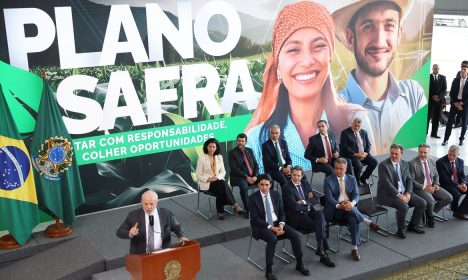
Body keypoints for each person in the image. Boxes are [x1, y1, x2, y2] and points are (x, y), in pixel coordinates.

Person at [246, 0, 373, 172]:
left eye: (319, 46)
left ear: (330, 57)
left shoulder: (355, 119)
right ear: (278, 65)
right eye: (293, 50)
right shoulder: (255, 140)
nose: (307, 61)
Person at [333, 0, 426, 154]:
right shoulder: (335, 109)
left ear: (398, 35)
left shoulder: (414, 94)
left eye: (389, 26)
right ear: (351, 38)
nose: (379, 41)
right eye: (368, 26)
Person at [249, 174, 310, 280]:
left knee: (295, 234)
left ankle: (299, 263)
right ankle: (269, 270)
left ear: (270, 185)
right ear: (258, 185)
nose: (264, 187)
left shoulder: (276, 194)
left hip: (277, 223)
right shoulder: (252, 198)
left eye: (267, 185)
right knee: (272, 239)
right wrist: (271, 228)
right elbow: (255, 219)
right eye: (262, 185)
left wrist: (281, 224)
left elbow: (282, 212)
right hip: (261, 226)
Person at [323, 158, 380, 261]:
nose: (338, 171)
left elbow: (356, 194)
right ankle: (367, 221)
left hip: (349, 207)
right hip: (335, 210)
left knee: (353, 220)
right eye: (336, 168)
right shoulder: (328, 180)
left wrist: (352, 203)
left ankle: (354, 248)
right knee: (353, 212)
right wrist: (340, 205)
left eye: (341, 169)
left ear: (346, 169)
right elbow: (329, 198)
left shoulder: (351, 179)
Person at [282, 166, 335, 267]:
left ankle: (321, 249)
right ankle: (323, 253)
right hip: (296, 217)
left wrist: (303, 202)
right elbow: (294, 207)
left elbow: (315, 199)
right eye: (294, 175)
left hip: (308, 212)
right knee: (320, 225)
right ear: (291, 175)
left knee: (319, 214)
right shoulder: (287, 188)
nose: (296, 178)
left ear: (302, 176)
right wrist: (308, 204)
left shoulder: (305, 183)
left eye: (298, 175)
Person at [377, 144, 426, 239]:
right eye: (392, 153)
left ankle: (413, 225)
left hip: (404, 193)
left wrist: (408, 193)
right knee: (404, 206)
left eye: (396, 154)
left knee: (422, 203)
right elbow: (387, 184)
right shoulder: (383, 165)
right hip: (388, 195)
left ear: (402, 153)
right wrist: (399, 195)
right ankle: (400, 230)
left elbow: (409, 180)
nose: (394, 156)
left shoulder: (405, 164)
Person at [116, 190, 189, 254]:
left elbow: (177, 226)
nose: (148, 207)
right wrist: (130, 233)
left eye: (151, 204)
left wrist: (181, 236)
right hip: (141, 256)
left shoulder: (166, 214)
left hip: (163, 253)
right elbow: (119, 232)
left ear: (157, 202)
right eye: (146, 204)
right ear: (141, 202)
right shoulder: (133, 215)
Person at [196, 138, 245, 220]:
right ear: (206, 147)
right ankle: (234, 205)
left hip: (218, 181)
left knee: (221, 186)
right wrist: (208, 179)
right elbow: (198, 175)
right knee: (223, 184)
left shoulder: (219, 157)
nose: (211, 149)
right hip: (207, 183)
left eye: (213, 147)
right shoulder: (202, 158)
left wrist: (217, 177)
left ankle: (220, 211)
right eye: (210, 146)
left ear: (216, 148)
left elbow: (223, 172)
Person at [409, 144, 453, 228]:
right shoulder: (411, 163)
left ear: (429, 153)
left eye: (425, 152)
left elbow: (436, 174)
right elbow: (411, 180)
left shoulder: (432, 160)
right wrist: (425, 188)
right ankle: (431, 217)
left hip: (432, 185)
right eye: (420, 152)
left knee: (449, 198)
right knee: (431, 201)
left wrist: (436, 184)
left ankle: (430, 212)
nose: (422, 154)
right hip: (419, 188)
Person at [340, 117, 378, 185]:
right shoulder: (345, 133)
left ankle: (363, 178)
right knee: (358, 166)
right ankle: (356, 181)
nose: (357, 127)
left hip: (364, 154)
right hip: (352, 155)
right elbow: (344, 147)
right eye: (355, 125)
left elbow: (368, 144)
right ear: (352, 124)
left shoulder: (364, 132)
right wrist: (356, 154)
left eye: (358, 126)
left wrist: (366, 153)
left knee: (374, 162)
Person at [228, 133, 259, 217]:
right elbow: (234, 169)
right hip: (239, 177)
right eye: (239, 141)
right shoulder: (232, 153)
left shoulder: (249, 150)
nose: (240, 143)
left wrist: (255, 175)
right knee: (243, 185)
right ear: (236, 141)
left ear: (246, 142)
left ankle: (265, 205)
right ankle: (248, 210)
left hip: (252, 176)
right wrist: (246, 177)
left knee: (268, 179)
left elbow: (256, 165)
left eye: (242, 141)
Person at [436, 145, 468, 220]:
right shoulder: (440, 162)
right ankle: (456, 210)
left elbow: (462, 175)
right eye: (450, 154)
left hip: (457, 182)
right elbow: (444, 179)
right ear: (448, 152)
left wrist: (463, 183)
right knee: (456, 194)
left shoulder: (460, 161)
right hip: (446, 184)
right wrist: (457, 186)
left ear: (458, 155)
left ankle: (460, 212)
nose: (451, 157)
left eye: (454, 155)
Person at [442, 61, 468, 146]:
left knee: (464, 123)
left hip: (465, 105)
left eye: (464, 69)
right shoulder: (455, 80)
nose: (462, 70)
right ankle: (445, 139)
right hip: (454, 104)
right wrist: (456, 103)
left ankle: (461, 139)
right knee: (450, 122)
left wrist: (461, 103)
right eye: (462, 69)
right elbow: (452, 93)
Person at [427, 64, 447, 138]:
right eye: (435, 68)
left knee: (436, 118)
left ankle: (434, 133)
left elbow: (444, 90)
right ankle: (424, 133)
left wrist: (438, 96)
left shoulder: (443, 77)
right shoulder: (428, 77)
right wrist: (433, 97)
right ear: (432, 69)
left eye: (438, 68)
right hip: (431, 102)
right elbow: (427, 88)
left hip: (439, 101)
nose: (437, 70)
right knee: (428, 118)